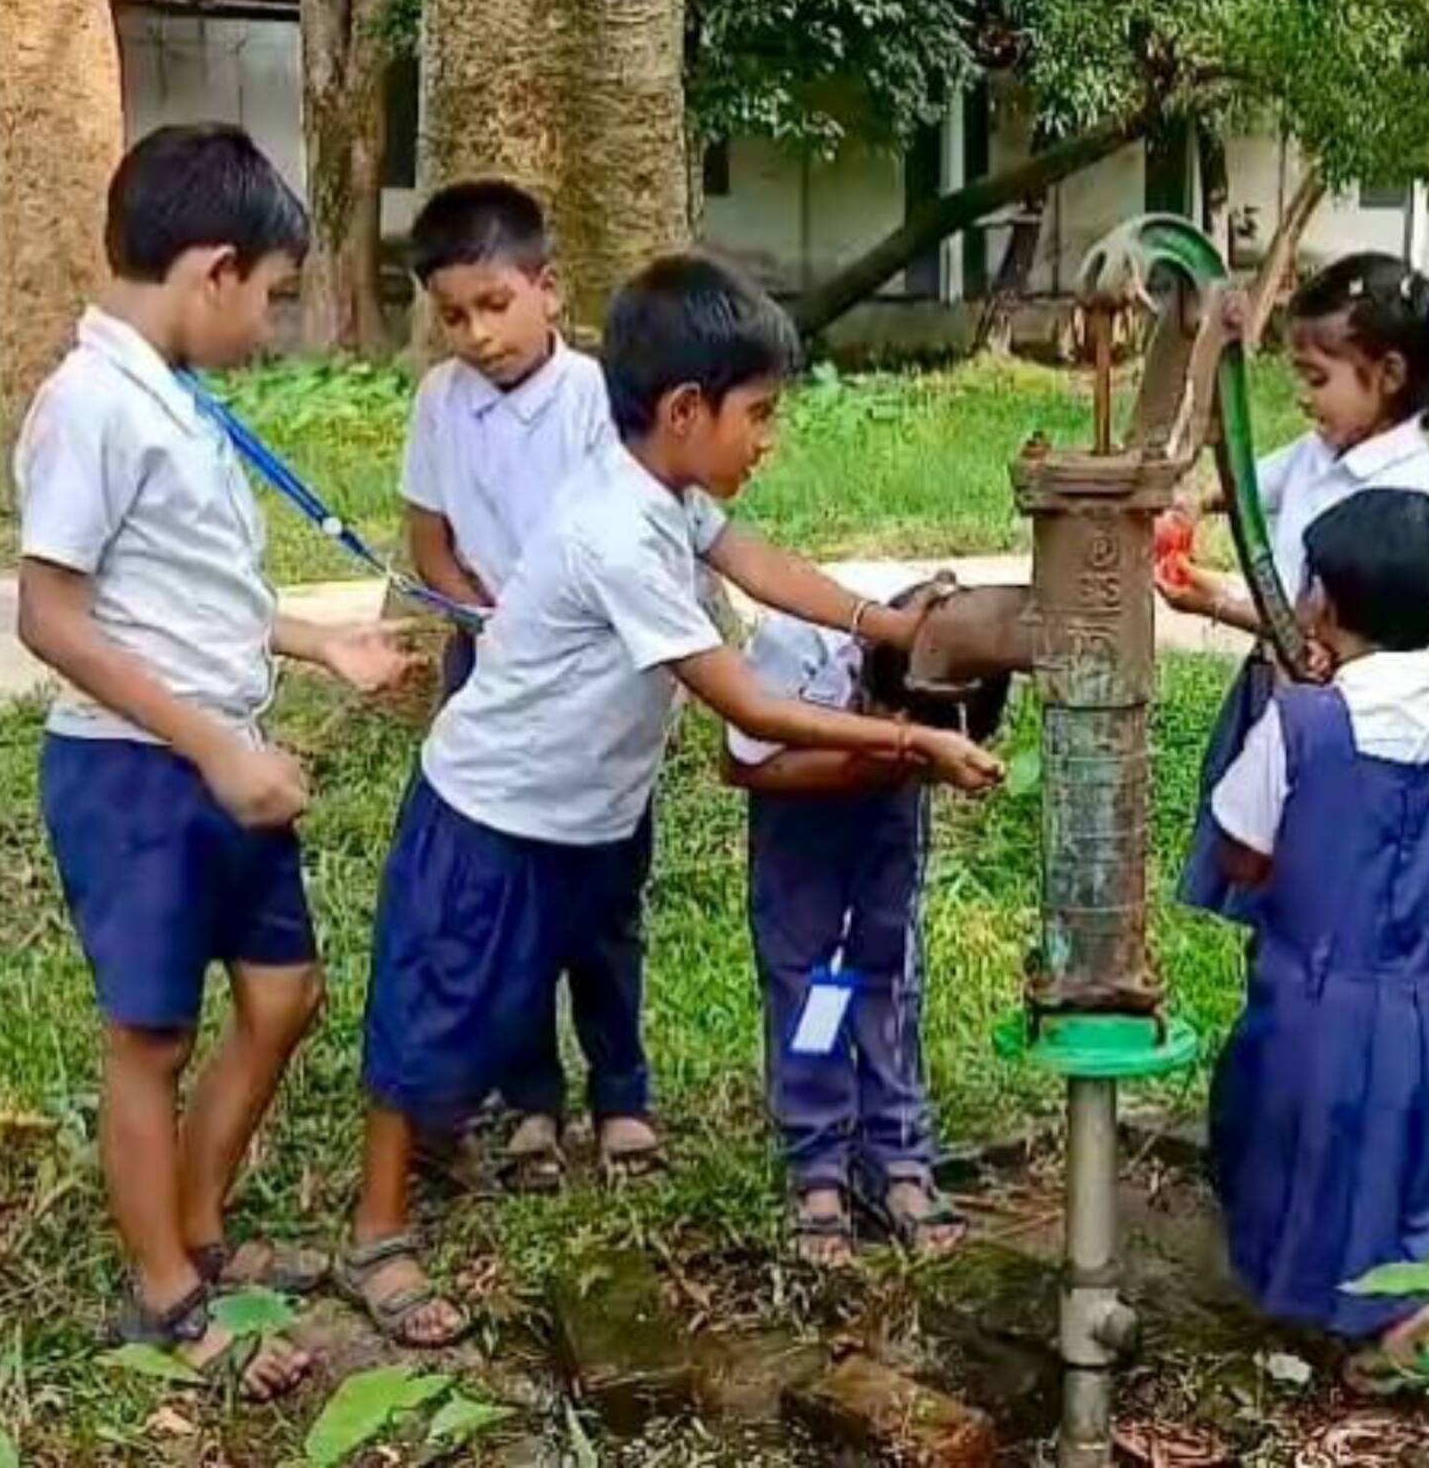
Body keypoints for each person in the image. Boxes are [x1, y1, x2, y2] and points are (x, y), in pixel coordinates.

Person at [343, 255, 1004, 1346]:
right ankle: (376, 1231)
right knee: (433, 1008)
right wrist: (912, 738)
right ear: (687, 410)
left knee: (506, 999)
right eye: (759, 414)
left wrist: (885, 630)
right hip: (496, 811)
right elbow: (746, 703)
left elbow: (757, 563)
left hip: (588, 815)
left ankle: (880, 1148)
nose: (768, 438)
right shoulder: (616, 530)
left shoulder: (665, 494)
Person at [15, 125, 413, 1396]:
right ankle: (166, 1294)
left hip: (213, 760)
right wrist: (217, 752)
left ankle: (195, 1224)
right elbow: (51, 615)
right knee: (150, 1037)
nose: (275, 324)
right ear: (212, 268)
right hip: (137, 775)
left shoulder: (169, 397)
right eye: (277, 297)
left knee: (282, 994)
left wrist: (315, 646)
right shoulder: (88, 406)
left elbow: (180, 597)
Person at [1206, 489, 1429, 1380]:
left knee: (1291, 1146)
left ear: (1325, 607)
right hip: (1428, 994)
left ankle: (1381, 1314)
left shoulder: (1303, 723)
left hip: (1313, 996)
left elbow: (1242, 855)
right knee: (1410, 1149)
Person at [398, 179, 622, 1190]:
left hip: (591, 680)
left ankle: (623, 1095)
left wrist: (547, 632)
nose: (477, 335)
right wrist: (479, 622)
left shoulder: (596, 399)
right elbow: (429, 540)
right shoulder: (439, 403)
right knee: (508, 894)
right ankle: (531, 1103)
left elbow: (623, 545)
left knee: (605, 900)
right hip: (486, 670)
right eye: (453, 316)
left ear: (547, 289)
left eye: (495, 305)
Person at [1158, 252, 1429, 920]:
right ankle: (1276, 990)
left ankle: (1305, 989)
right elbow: (1240, 480)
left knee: (1310, 866)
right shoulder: (1318, 450)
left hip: (1338, 707)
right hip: (1278, 681)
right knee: (1259, 859)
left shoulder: (1406, 496)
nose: (1304, 396)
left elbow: (1331, 635)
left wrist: (1214, 601)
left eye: (1317, 378)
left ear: (1388, 376)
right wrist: (1188, 507)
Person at [724, 567, 1012, 1266]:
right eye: (897, 721)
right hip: (802, 816)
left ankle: (900, 1158)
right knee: (817, 978)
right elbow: (744, 766)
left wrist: (912, 759)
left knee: (885, 967)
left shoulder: (964, 654)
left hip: (887, 808)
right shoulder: (800, 649)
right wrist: (893, 754)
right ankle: (819, 1164)